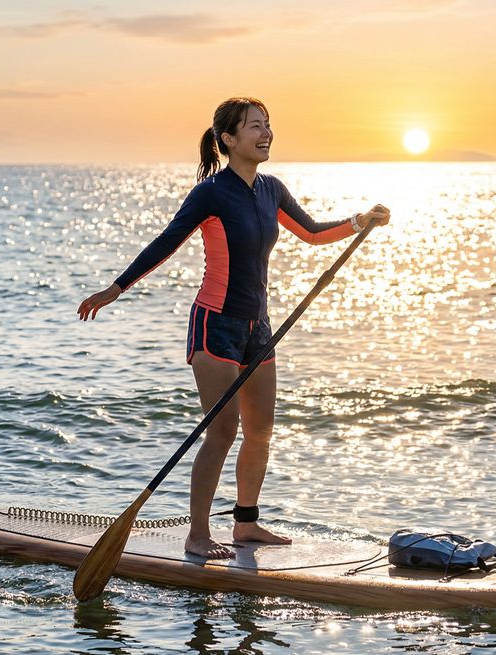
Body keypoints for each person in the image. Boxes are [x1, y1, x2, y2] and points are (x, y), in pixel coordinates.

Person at [77, 97, 391, 559]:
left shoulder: (271, 190)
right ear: (228, 138)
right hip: (215, 325)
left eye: (268, 125)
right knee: (222, 431)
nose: (266, 134)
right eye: (254, 127)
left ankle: (245, 524)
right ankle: (198, 534)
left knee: (260, 432)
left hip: (258, 328)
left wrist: (360, 221)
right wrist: (116, 288)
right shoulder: (211, 193)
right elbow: (166, 242)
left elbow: (311, 233)